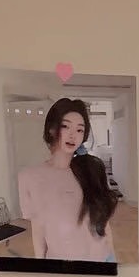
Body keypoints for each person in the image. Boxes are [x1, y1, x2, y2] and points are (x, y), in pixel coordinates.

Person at [17, 98, 117, 262]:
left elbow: (104, 224)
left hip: (104, 260)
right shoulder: (29, 177)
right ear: (51, 129)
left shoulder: (93, 169)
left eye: (79, 130)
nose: (73, 135)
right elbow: (38, 230)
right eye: (65, 126)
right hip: (62, 267)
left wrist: (114, 261)